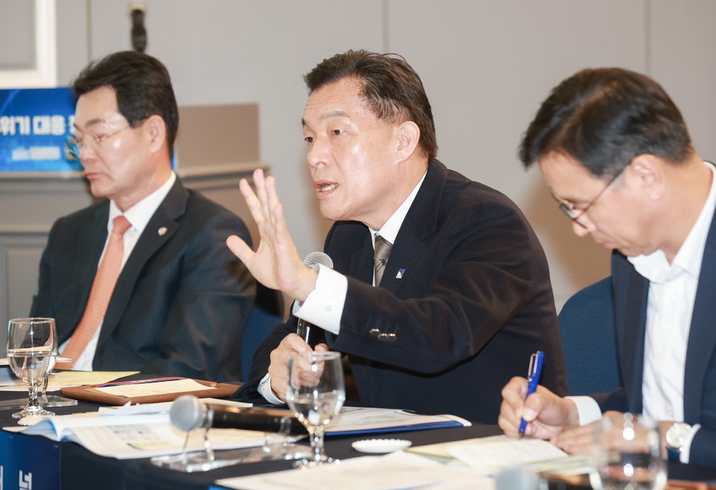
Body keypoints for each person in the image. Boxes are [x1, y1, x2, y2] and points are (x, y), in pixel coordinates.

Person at [228, 50, 567, 423]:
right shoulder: (349, 238)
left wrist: (309, 286)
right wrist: (279, 377)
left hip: (484, 448)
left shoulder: (487, 221)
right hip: (387, 447)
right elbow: (287, 342)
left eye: (336, 132)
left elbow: (437, 336)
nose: (314, 156)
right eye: (309, 138)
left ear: (403, 141)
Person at [499, 67, 716, 474]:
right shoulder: (632, 256)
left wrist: (661, 438)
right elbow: (662, 402)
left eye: (580, 206)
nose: (579, 227)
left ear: (646, 176)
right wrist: (574, 415)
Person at [31, 51, 255, 382]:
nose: (85, 154)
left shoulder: (213, 235)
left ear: (152, 133)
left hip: (129, 407)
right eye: (78, 140)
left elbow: (188, 368)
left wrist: (77, 392)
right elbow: (35, 348)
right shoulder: (68, 232)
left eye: (99, 136)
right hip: (46, 400)